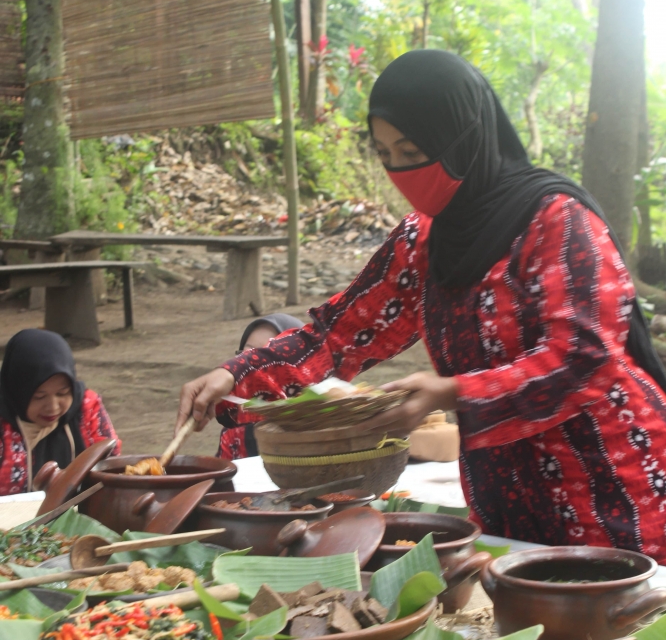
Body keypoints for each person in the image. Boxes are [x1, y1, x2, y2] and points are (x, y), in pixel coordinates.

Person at [177, 49, 666, 562]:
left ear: (464, 137)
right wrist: (234, 377)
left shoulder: (556, 222)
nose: (399, 170)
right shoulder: (422, 242)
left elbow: (584, 356)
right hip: (502, 488)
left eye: (411, 151)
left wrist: (451, 392)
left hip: (608, 480)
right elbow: (338, 334)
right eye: (385, 154)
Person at [0, 329, 121, 495]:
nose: (53, 407)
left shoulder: (86, 407)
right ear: (17, 392)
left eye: (62, 393)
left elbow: (112, 465)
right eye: (39, 397)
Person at [216, 313, 304, 459]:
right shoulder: (235, 430)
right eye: (246, 357)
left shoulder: (321, 434)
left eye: (266, 360)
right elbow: (222, 478)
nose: (252, 370)